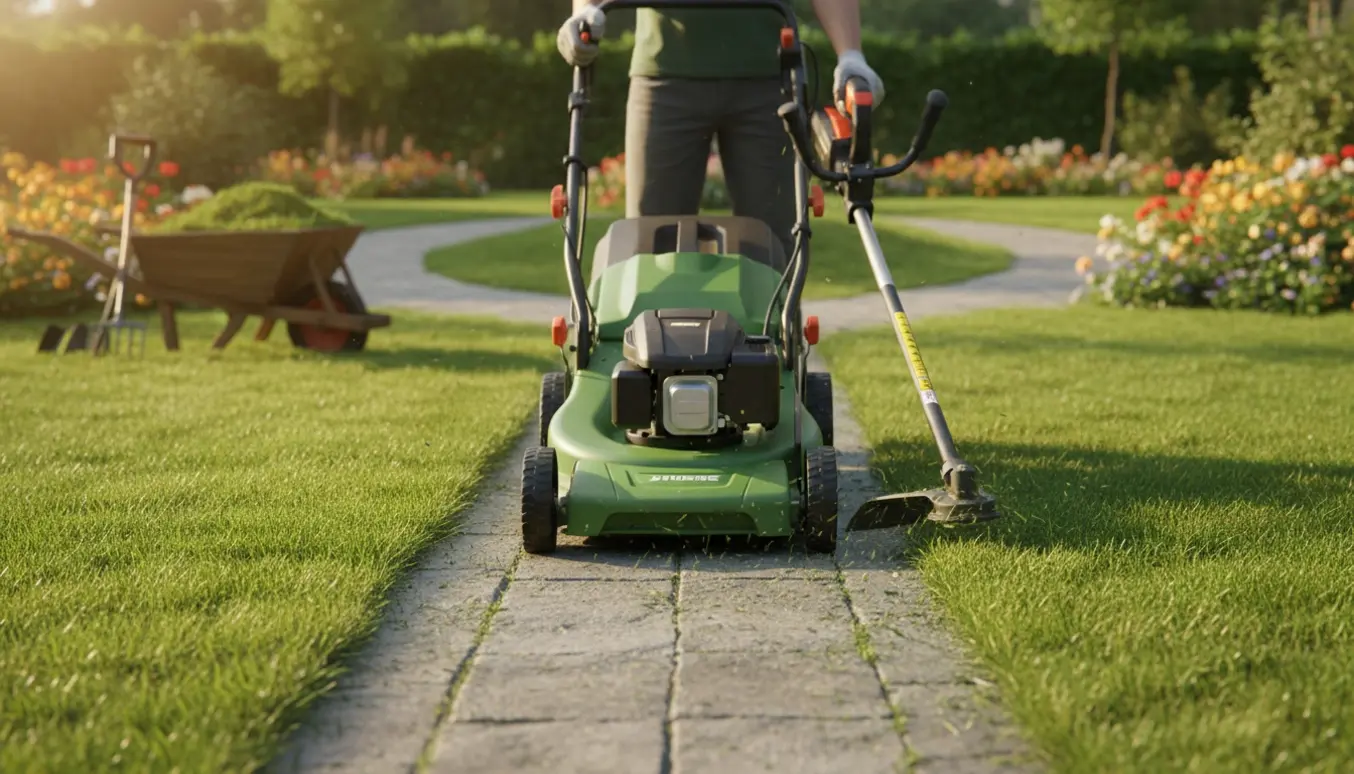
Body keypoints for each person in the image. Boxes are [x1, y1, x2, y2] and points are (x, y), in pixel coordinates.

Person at [556, 0, 886, 256]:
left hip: (770, 81)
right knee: (653, 239)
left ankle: (774, 324)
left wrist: (851, 55)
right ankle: (656, 326)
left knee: (773, 244)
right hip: (664, 75)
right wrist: (585, 12)